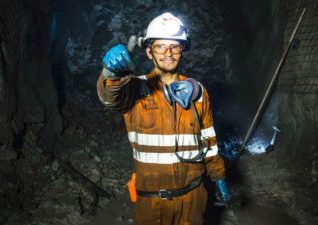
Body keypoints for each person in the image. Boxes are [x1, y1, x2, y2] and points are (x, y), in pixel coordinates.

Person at [96, 12, 231, 225]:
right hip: (153, 204)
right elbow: (110, 97)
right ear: (149, 52)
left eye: (175, 46)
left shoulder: (199, 93)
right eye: (160, 46)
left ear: (182, 50)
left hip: (193, 199)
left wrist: (219, 176)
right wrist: (110, 74)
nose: (168, 53)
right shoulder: (135, 88)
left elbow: (209, 141)